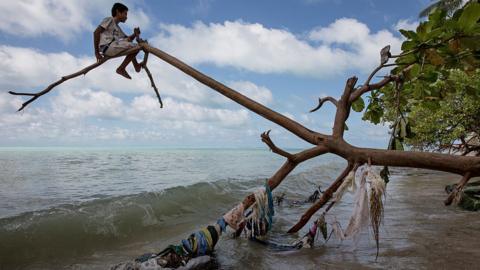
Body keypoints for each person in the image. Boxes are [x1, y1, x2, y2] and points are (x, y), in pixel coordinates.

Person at [93, 2, 143, 79]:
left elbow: (128, 40)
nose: (126, 17)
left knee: (133, 45)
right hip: (107, 46)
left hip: (112, 46)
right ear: (118, 12)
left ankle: (135, 66)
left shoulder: (118, 28)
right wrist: (96, 52)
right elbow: (96, 32)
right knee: (138, 47)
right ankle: (122, 68)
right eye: (125, 14)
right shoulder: (109, 20)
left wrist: (135, 34)